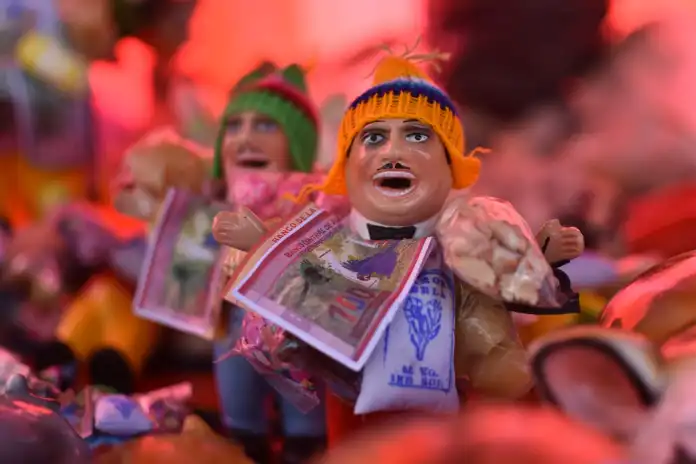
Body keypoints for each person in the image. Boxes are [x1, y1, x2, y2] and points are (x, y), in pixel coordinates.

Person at [211, 62, 328, 464]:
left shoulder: (321, 206)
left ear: (296, 145)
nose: (244, 138)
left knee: (305, 440)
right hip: (231, 331)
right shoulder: (208, 208)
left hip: (297, 334)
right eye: (234, 125)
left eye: (264, 125)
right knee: (240, 432)